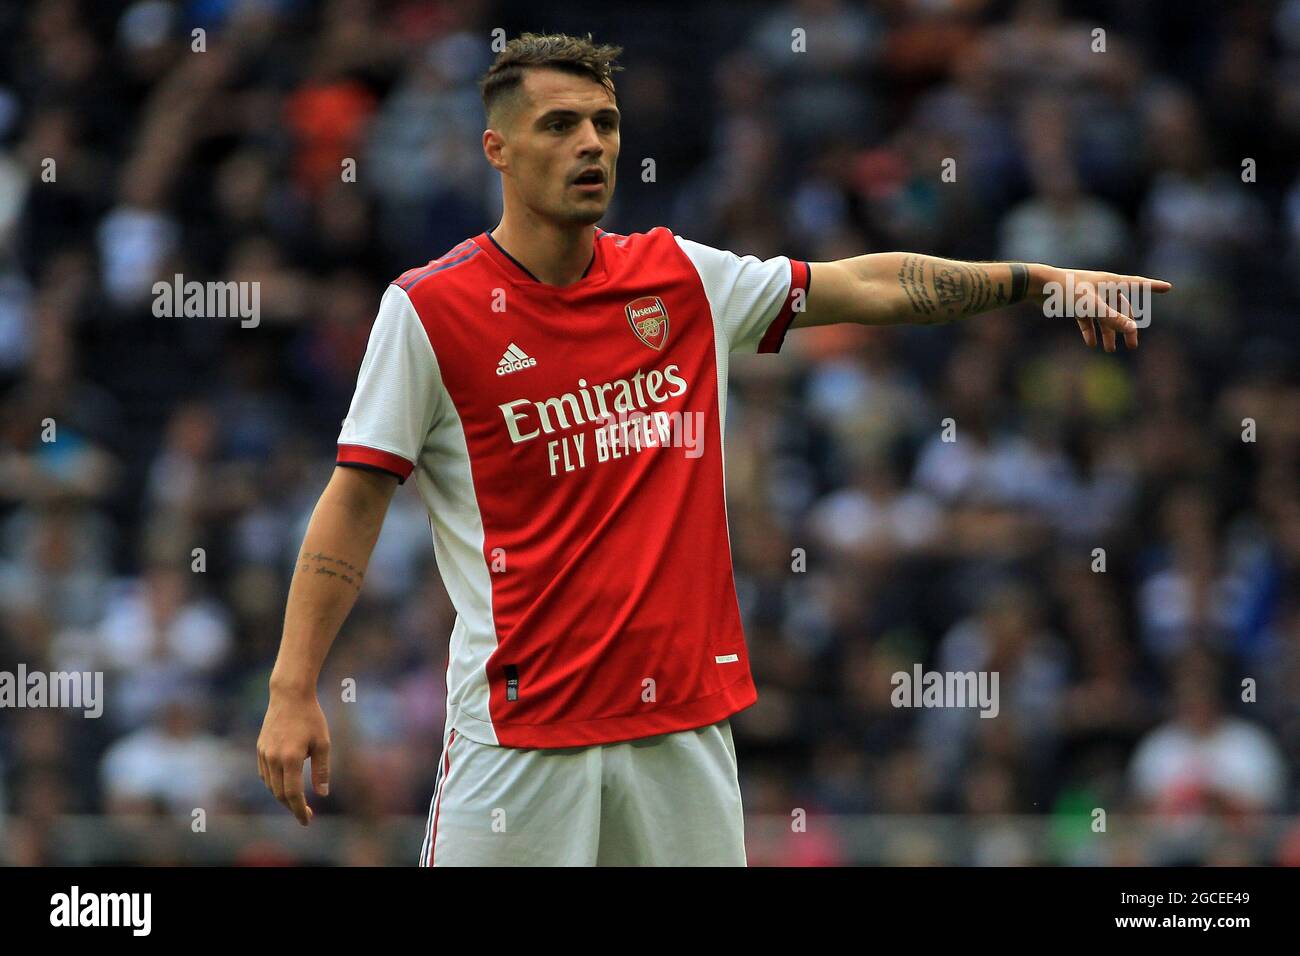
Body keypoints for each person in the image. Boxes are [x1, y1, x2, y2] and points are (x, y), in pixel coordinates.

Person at [257, 31, 1169, 866]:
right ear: (497, 149)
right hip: (520, 735)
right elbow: (356, 497)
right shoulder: (428, 309)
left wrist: (1037, 278)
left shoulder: (680, 277)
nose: (593, 145)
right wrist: (295, 687)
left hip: (682, 729)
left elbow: (867, 285)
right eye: (562, 124)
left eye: (607, 124)